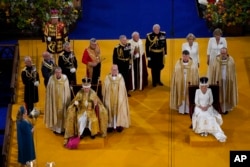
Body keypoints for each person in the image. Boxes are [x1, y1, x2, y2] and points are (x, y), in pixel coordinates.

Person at [64, 77, 108, 145]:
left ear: (89, 87)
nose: (86, 89)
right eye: (85, 88)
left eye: (87, 88)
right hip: (82, 111)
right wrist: (77, 104)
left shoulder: (93, 93)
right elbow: (75, 102)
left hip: (91, 111)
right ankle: (81, 133)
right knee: (81, 120)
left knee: (93, 120)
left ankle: (92, 133)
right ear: (83, 87)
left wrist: (95, 104)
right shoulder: (80, 93)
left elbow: (98, 104)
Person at [192, 77, 227, 142]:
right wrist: (201, 107)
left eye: (205, 86)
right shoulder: (197, 91)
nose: (204, 87)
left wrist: (207, 106)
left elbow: (211, 100)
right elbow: (196, 101)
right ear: (200, 86)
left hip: (208, 107)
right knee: (201, 116)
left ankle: (208, 131)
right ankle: (202, 131)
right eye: (203, 86)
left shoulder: (209, 90)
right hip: (199, 107)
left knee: (210, 117)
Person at [208, 47, 238, 114]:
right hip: (219, 80)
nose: (223, 54)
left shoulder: (231, 60)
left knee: (226, 93)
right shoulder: (216, 60)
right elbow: (214, 72)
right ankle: (219, 107)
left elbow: (233, 72)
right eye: (222, 53)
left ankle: (226, 108)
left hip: (228, 81)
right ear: (220, 53)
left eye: (224, 53)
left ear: (227, 53)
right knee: (219, 93)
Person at [102, 64, 130, 133]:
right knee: (109, 109)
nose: (114, 71)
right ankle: (110, 125)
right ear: (110, 70)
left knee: (118, 110)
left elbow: (123, 89)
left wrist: (120, 97)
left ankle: (118, 125)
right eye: (113, 69)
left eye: (115, 70)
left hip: (118, 98)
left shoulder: (120, 78)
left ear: (118, 70)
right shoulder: (107, 78)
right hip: (110, 98)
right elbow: (104, 89)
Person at [170, 50, 199, 114]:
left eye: (186, 56)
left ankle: (188, 110)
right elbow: (175, 74)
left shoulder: (193, 65)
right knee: (181, 93)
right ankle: (181, 109)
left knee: (188, 94)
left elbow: (196, 75)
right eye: (184, 56)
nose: (185, 58)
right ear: (182, 56)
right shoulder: (178, 64)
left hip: (190, 82)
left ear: (189, 56)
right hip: (181, 83)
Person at [44, 67, 71, 135]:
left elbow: (67, 89)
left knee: (63, 113)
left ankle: (62, 128)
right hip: (54, 100)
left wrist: (66, 99)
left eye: (59, 72)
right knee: (55, 113)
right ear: (55, 73)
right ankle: (56, 129)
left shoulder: (65, 78)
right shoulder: (51, 79)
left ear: (61, 72)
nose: (58, 74)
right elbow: (49, 90)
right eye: (57, 72)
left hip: (63, 100)